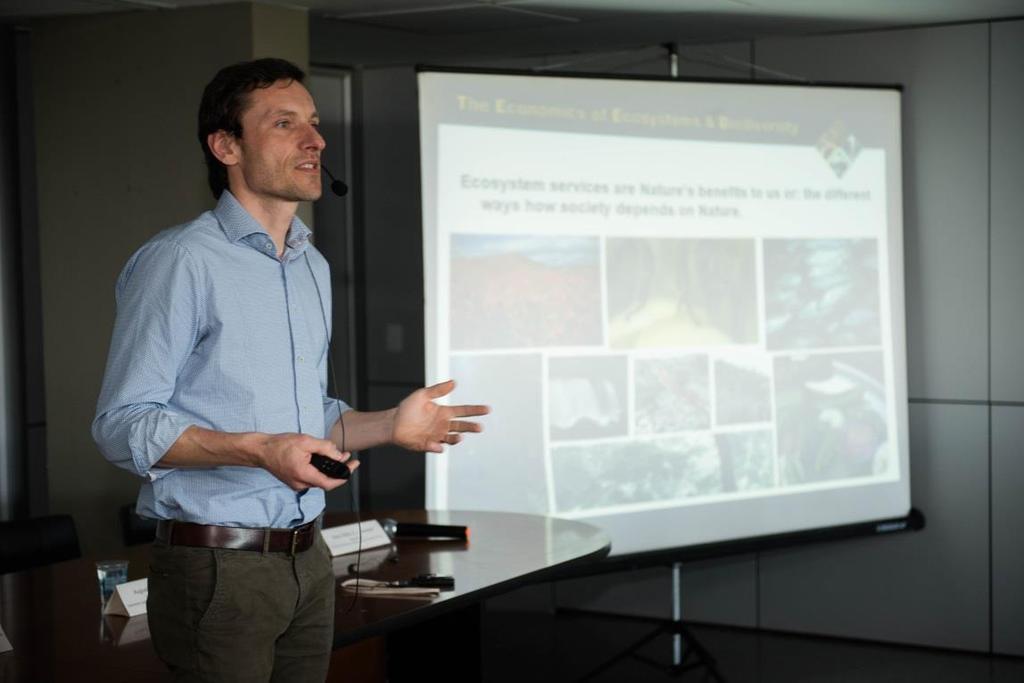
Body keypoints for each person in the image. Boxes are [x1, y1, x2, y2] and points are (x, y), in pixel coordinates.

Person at [92, 57, 489, 683]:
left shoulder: (310, 265)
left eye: (314, 122)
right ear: (226, 146)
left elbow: (308, 423)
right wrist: (260, 450)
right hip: (218, 566)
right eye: (285, 124)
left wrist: (390, 424)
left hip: (309, 557)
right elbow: (122, 425)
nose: (316, 141)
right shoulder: (180, 261)